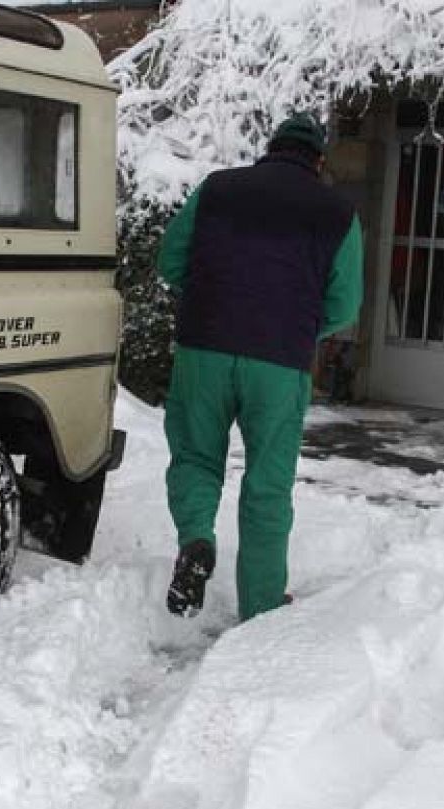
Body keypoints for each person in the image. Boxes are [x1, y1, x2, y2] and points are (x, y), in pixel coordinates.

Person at [155, 113, 365, 621]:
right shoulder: (338, 213)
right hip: (278, 365)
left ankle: (198, 540)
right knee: (267, 483)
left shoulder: (219, 189)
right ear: (318, 160)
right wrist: (296, 328)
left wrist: (211, 298)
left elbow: (169, 261)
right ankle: (262, 606)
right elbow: (345, 305)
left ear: (269, 149)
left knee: (197, 457)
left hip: (204, 348)